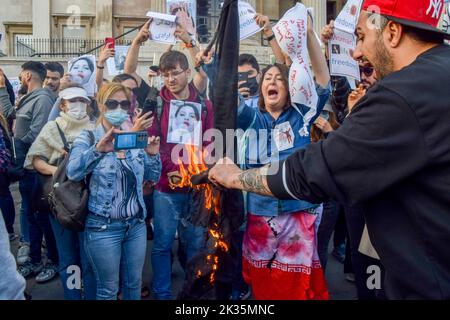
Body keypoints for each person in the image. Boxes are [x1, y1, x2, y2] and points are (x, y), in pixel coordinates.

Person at [209, 0, 450, 300]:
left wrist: (236, 178)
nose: (356, 52)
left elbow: (317, 169)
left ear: (392, 32)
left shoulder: (402, 94)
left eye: (360, 36)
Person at [67, 82, 161, 300]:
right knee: (108, 290)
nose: (118, 108)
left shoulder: (135, 137)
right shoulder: (88, 137)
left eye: (124, 103)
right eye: (112, 103)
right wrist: (98, 150)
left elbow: (152, 178)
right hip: (103, 227)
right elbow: (73, 172)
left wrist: (153, 155)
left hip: (136, 225)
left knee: (133, 285)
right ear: (100, 105)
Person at [24, 84, 96, 298]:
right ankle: (73, 295)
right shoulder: (52, 128)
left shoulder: (96, 128)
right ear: (62, 105)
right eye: (73, 101)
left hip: (89, 201)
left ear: (89, 105)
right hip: (61, 203)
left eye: (82, 101)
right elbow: (36, 160)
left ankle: (89, 295)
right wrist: (63, 173)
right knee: (68, 256)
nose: (78, 105)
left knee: (89, 256)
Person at [14, 61, 56, 272]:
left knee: (41, 216)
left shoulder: (43, 99)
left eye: (22, 75)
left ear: (28, 75)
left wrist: (17, 145)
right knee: (32, 215)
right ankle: (35, 259)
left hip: (35, 169)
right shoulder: (28, 98)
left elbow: (39, 133)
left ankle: (52, 261)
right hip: (25, 168)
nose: (21, 78)